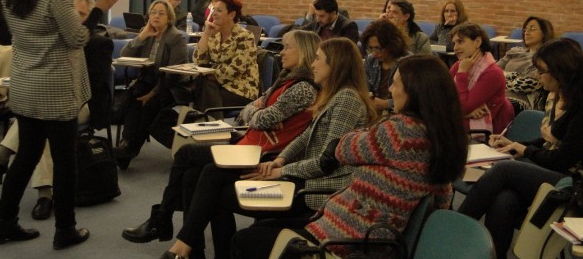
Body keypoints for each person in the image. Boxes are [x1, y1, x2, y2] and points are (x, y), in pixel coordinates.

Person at [232, 55, 469, 259]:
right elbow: (443, 197)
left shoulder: (400, 131)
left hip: (345, 237)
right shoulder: (441, 137)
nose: (390, 90)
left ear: (416, 92)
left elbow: (342, 148)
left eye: (396, 85)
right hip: (372, 239)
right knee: (265, 228)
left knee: (245, 241)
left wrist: (367, 129)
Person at [159, 37, 375, 259]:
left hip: (313, 191)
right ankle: (187, 248)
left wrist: (280, 170)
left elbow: (325, 162)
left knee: (213, 185)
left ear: (335, 65)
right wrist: (279, 161)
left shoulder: (346, 100)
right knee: (207, 175)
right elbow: (305, 137)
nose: (313, 64)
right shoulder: (334, 96)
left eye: (318, 59)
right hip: (296, 175)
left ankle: (184, 246)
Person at [120, 30, 321, 249]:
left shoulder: (302, 88)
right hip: (248, 143)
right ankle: (186, 242)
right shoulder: (285, 80)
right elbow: (251, 111)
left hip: (261, 154)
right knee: (191, 175)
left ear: (304, 51)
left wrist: (261, 113)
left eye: (287, 47)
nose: (281, 52)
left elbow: (263, 116)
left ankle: (163, 219)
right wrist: (260, 113)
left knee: (187, 155)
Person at [0, 0, 119, 249]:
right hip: (56, 91)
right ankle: (65, 230)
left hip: (24, 86)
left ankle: (3, 223)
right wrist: (99, 8)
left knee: (24, 159)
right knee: (64, 162)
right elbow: (77, 38)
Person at [0, 0, 116, 221]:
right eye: (72, 14)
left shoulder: (99, 42)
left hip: (85, 103)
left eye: (83, 15)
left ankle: (2, 157)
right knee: (44, 119)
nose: (77, 19)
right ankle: (44, 195)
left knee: (45, 116)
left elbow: (93, 85)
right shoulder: (53, 38)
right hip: (57, 102)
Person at [458, 38, 583, 259]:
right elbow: (550, 143)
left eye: (542, 71)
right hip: (557, 170)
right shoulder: (557, 96)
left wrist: (523, 150)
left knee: (504, 169)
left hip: (574, 183)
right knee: (504, 198)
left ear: (561, 71)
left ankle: (455, 230)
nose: (537, 76)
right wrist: (516, 146)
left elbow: (562, 159)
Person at [113, 0, 189, 169]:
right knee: (134, 98)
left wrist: (153, 93)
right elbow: (125, 54)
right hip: (147, 81)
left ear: (169, 18)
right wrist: (142, 35)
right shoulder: (146, 32)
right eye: (153, 13)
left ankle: (129, 149)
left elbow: (174, 73)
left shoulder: (176, 37)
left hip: (170, 86)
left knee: (149, 105)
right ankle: (126, 143)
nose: (156, 16)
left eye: (161, 14)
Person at [192, 0, 259, 114]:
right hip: (216, 86)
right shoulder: (214, 35)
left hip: (240, 89)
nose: (214, 14)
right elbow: (199, 61)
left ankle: (209, 123)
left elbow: (236, 69)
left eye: (219, 10)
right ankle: (211, 124)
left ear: (231, 14)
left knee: (202, 91)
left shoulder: (245, 36)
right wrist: (206, 34)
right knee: (204, 88)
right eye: (214, 10)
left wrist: (211, 74)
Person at [450, 22, 515, 134]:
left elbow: (464, 107)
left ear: (478, 42)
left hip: (479, 131)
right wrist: (465, 113)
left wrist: (462, 74)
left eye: (460, 41)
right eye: (454, 43)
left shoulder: (492, 73)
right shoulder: (459, 65)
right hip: (459, 121)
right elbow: (440, 97)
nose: (455, 48)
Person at [497, 16, 554, 113]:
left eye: (532, 29)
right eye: (525, 29)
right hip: (499, 93)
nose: (526, 32)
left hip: (522, 100)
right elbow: (493, 71)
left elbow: (526, 85)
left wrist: (502, 77)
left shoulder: (545, 58)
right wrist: (514, 77)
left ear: (544, 33)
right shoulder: (514, 51)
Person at [361, 19, 410, 114]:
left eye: (378, 48)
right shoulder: (370, 61)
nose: (374, 53)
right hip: (374, 112)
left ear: (391, 44)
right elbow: (365, 88)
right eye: (371, 48)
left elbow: (412, 98)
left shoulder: (407, 62)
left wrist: (387, 104)